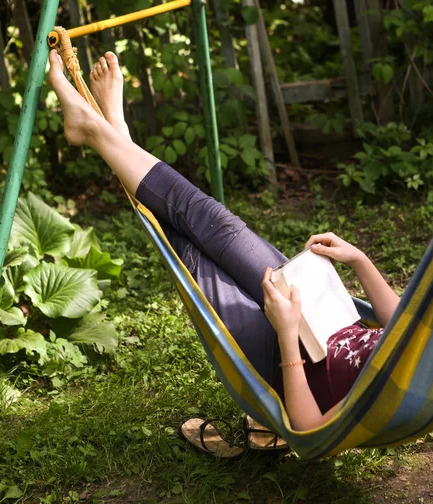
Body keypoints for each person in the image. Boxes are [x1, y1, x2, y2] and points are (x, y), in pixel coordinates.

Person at [47, 49, 400, 436]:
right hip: (319, 310)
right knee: (215, 221)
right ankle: (110, 132)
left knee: (191, 256)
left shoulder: (405, 389)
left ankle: (105, 132)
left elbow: (307, 425)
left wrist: (285, 333)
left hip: (283, 359)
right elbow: (402, 321)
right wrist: (360, 260)